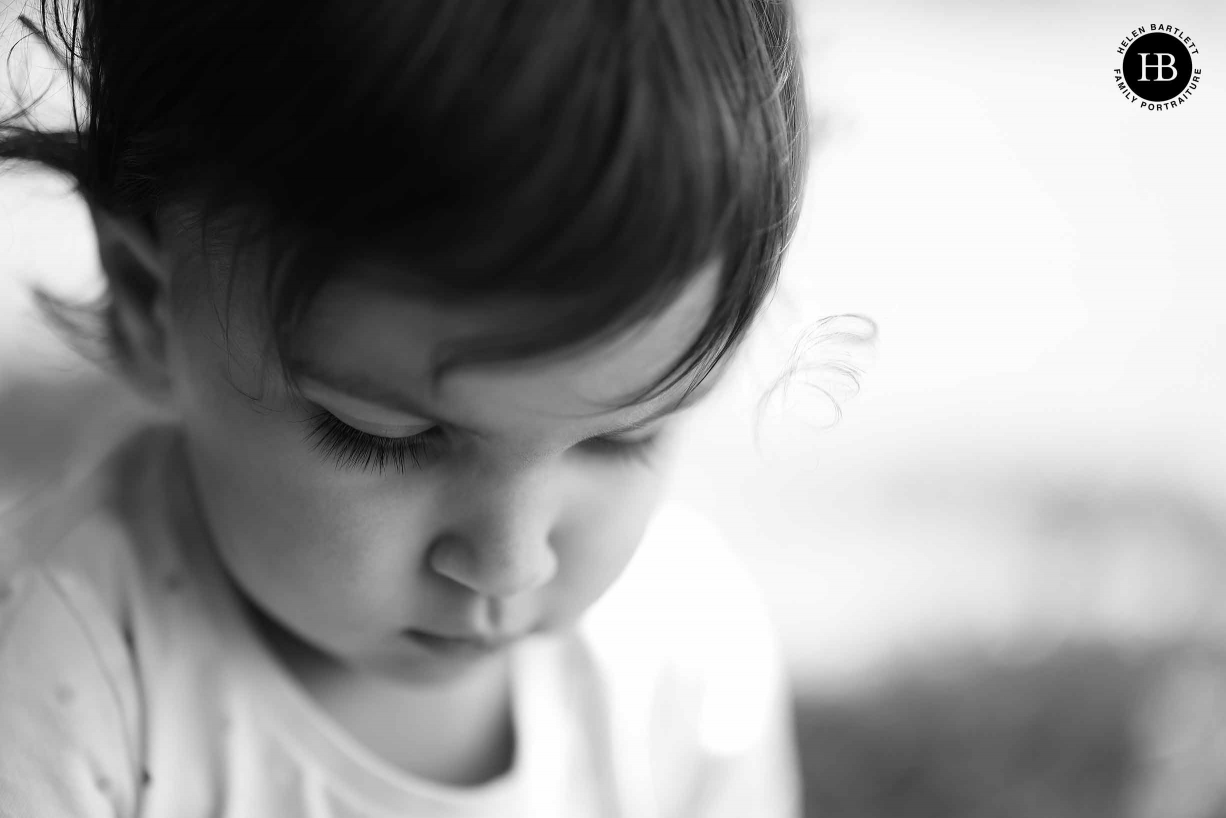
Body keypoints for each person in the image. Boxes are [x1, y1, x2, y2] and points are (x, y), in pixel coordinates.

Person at [0, 0, 810, 814]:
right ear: (153, 303)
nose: (510, 565)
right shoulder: (59, 688)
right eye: (385, 437)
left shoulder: (686, 653)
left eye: (624, 438)